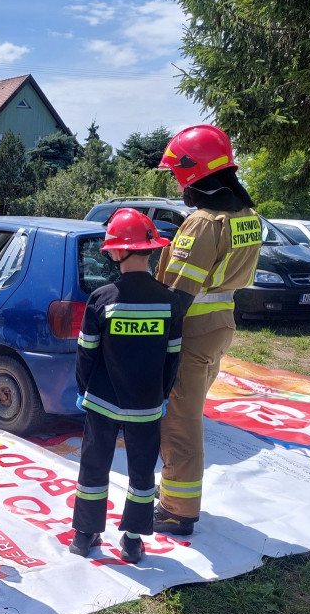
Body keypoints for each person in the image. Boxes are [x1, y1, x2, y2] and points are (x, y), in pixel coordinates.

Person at [153, 125, 262, 535]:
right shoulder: (248, 217)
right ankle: (177, 500)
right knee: (189, 413)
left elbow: (179, 294)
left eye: (177, 172)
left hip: (191, 329)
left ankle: (177, 510)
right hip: (221, 324)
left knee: (179, 420)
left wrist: (152, 338)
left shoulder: (203, 222)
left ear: (191, 170)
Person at [67, 209, 184, 564]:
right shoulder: (170, 301)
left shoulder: (102, 299)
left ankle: (85, 534)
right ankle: (132, 540)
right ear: (151, 250)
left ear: (118, 252)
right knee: (142, 471)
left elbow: (86, 354)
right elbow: (172, 357)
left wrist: (83, 389)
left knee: (94, 466)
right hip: (147, 404)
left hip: (102, 401)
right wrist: (162, 395)